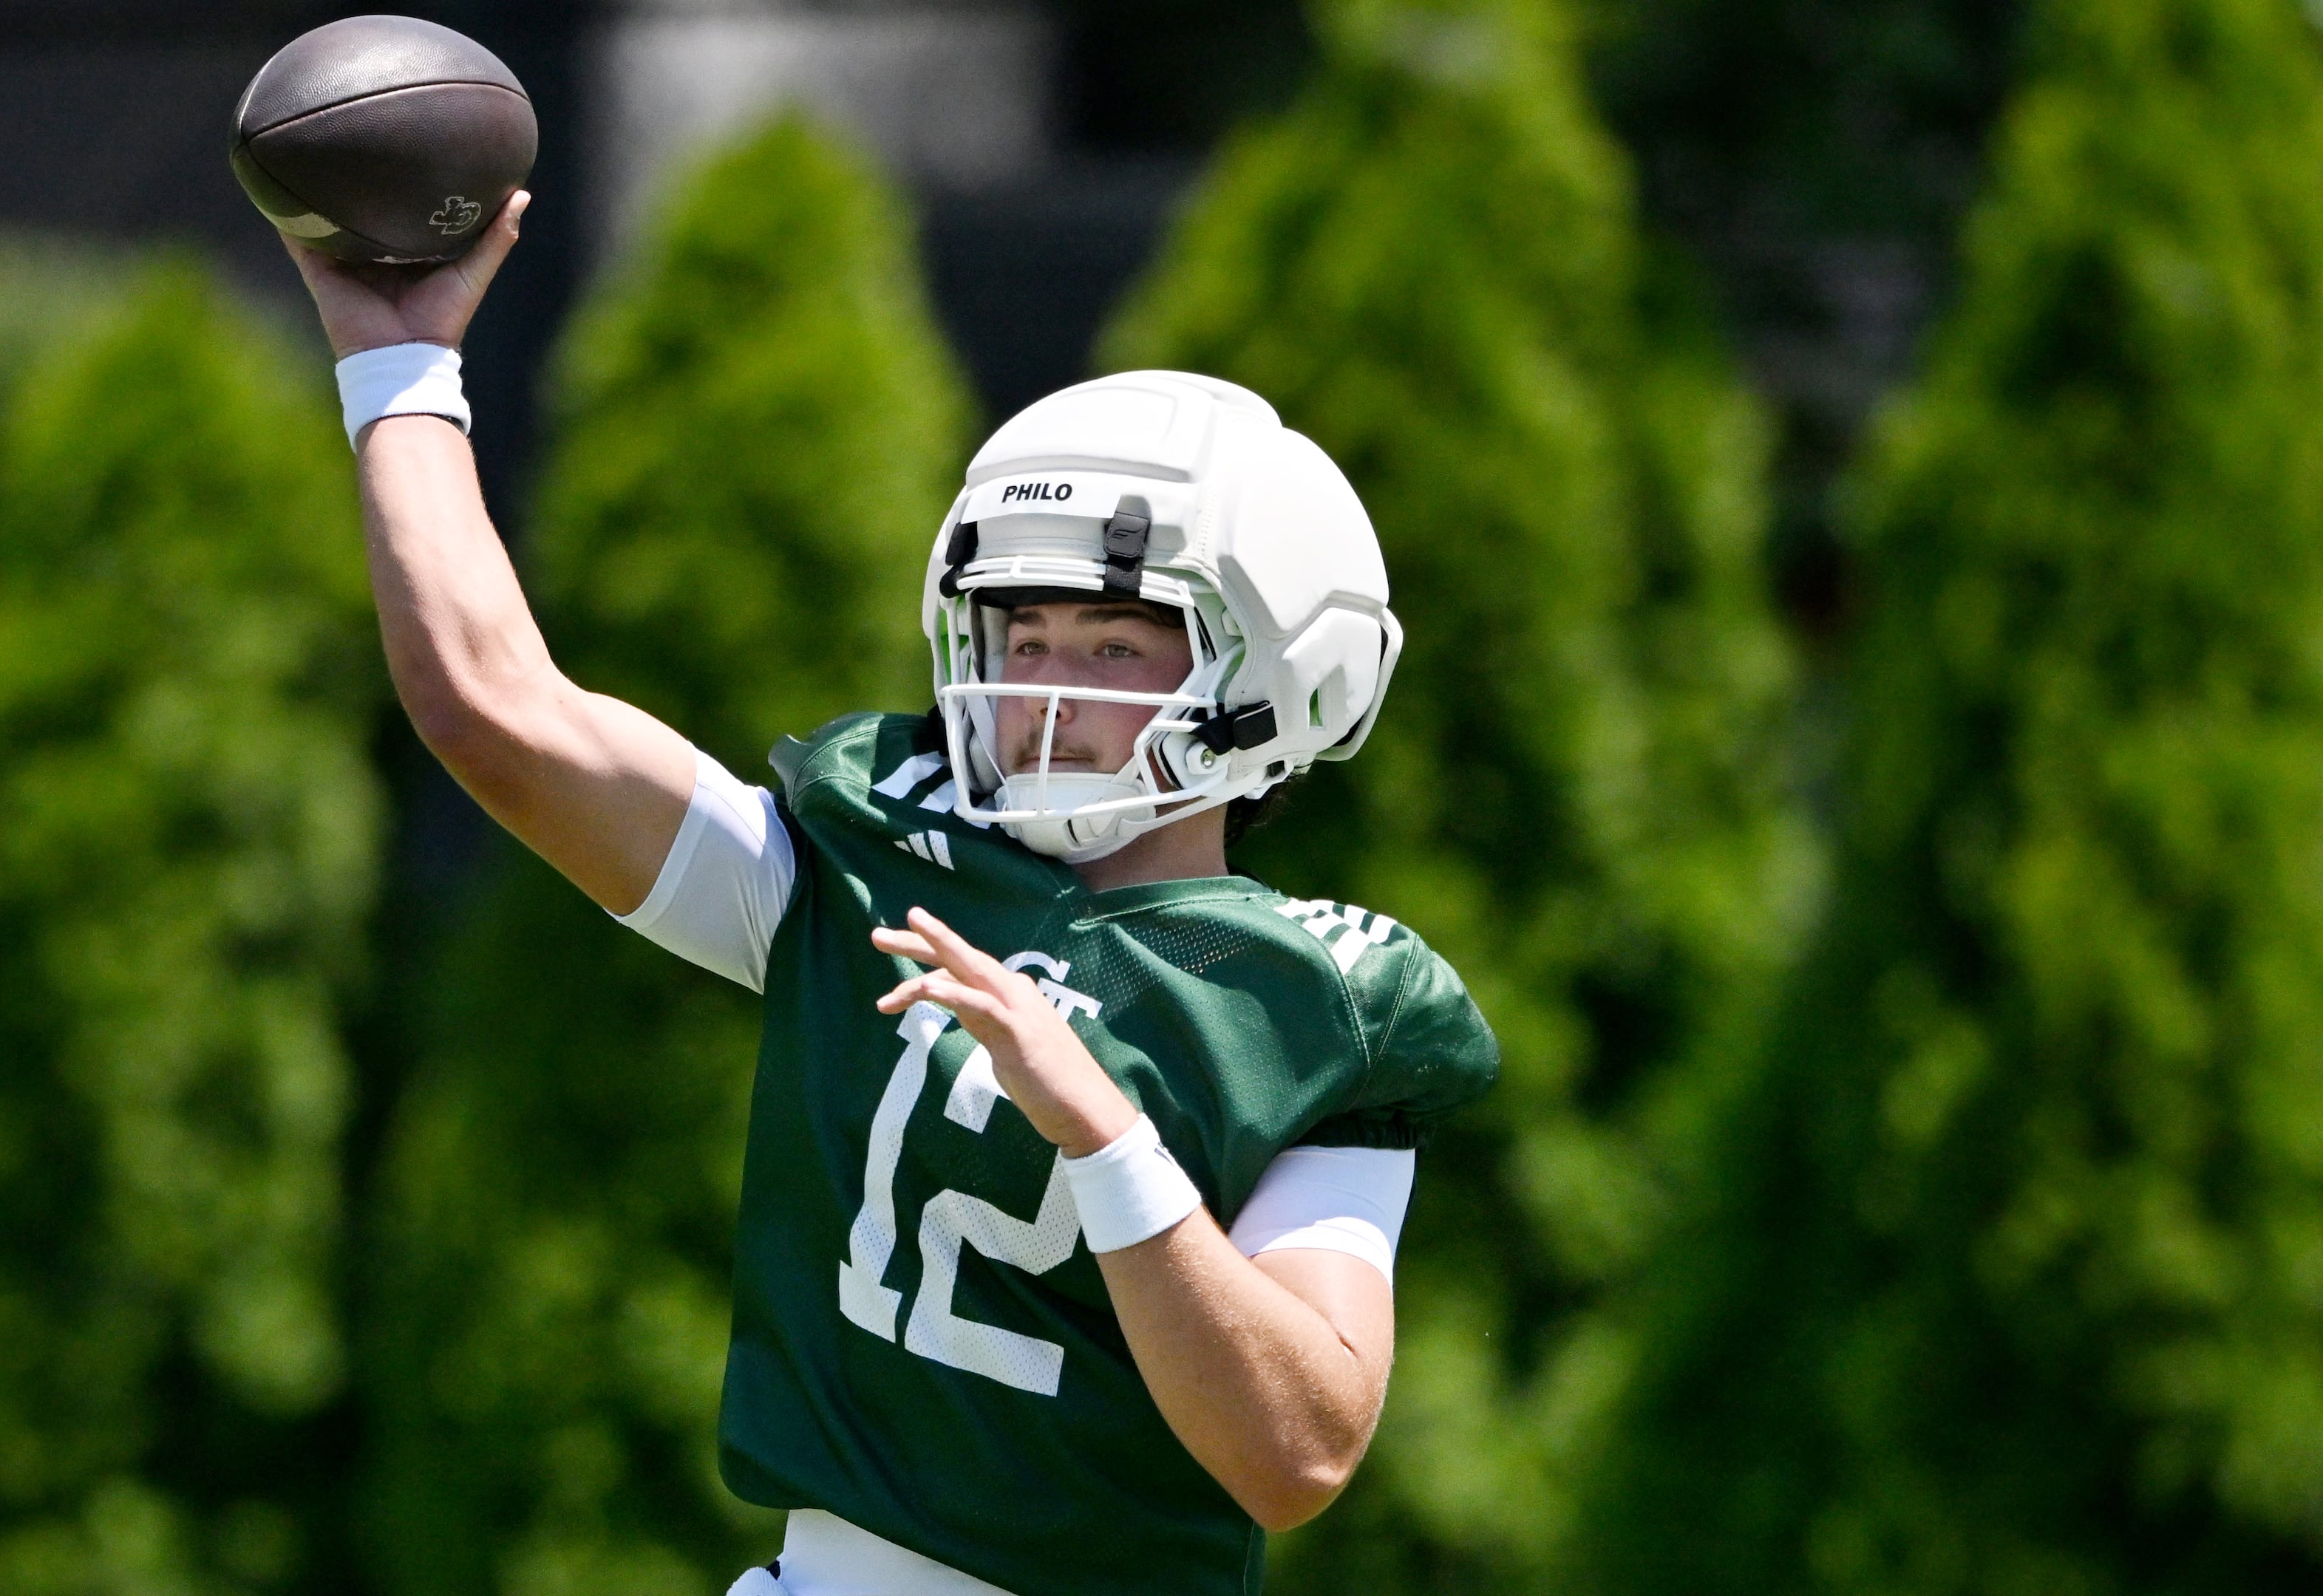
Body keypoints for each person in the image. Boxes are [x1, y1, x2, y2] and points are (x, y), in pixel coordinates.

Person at [282, 191, 1499, 1596]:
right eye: (1021, 632)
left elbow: (1297, 1452)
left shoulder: (1315, 1004)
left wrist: (1106, 1134)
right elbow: (492, 708)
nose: (1045, 684)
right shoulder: (869, 872)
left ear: (1281, 678)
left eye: (1114, 645)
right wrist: (398, 367)